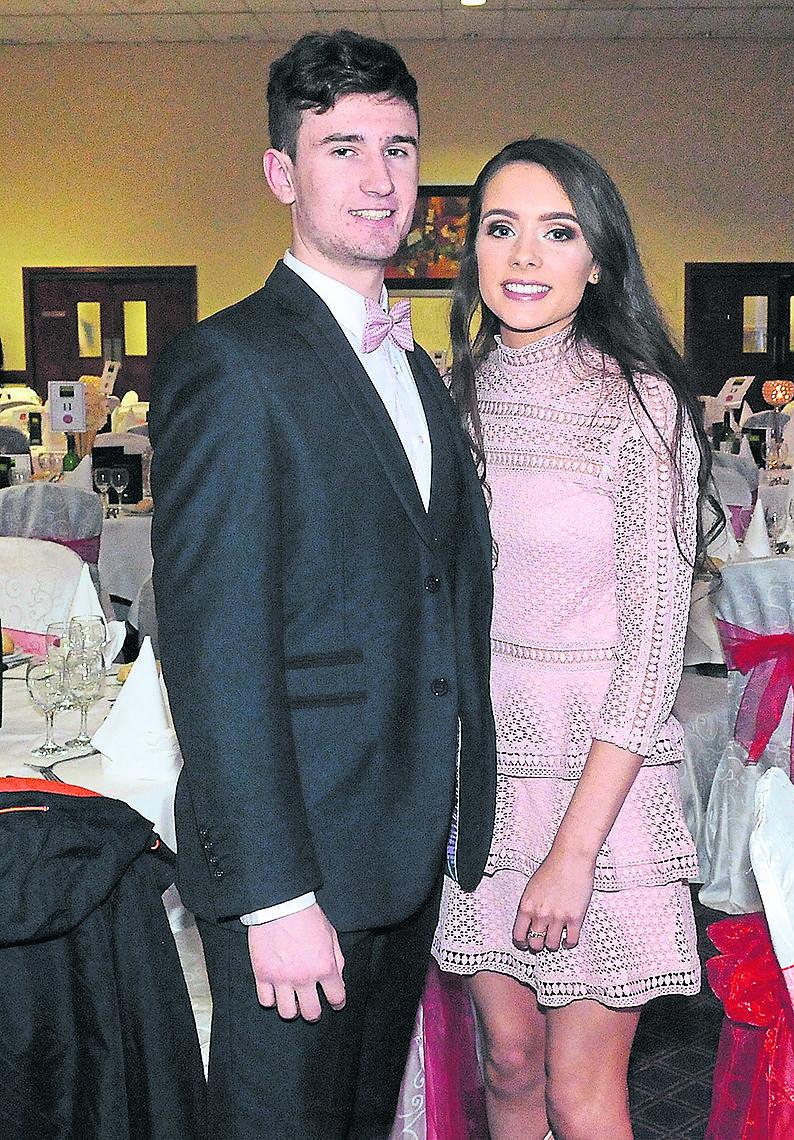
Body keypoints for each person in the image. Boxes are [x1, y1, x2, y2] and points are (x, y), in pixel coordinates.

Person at [148, 30, 496, 1140]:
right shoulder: (230, 363)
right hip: (297, 865)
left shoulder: (416, 366)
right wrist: (274, 894)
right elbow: (214, 651)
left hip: (398, 846)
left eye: (399, 148)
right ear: (280, 173)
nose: (379, 178)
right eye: (342, 148)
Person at [432, 138, 715, 1140]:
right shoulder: (450, 394)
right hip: (482, 772)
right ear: (472, 250)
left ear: (598, 259)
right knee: (507, 1065)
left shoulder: (638, 405)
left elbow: (653, 651)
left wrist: (574, 852)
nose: (524, 255)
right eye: (500, 228)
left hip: (601, 778)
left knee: (578, 1089)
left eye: (558, 232)